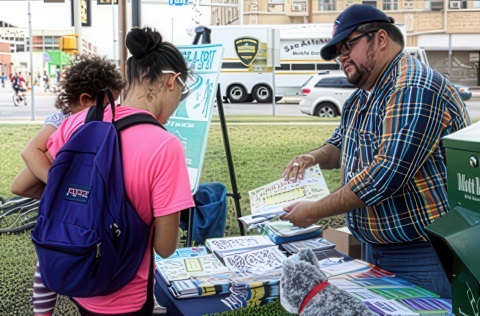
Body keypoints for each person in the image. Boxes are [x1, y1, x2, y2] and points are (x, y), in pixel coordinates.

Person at [282, 4, 470, 299]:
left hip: (422, 254)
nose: (341, 56)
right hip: (372, 246)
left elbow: (385, 176)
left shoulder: (414, 87)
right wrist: (314, 157)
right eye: (337, 51)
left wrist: (314, 212)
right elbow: (341, 144)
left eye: (348, 45)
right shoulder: (362, 96)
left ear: (380, 39)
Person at [15, 26, 194, 315]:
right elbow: (164, 247)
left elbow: (24, 183)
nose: (176, 105)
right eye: (181, 95)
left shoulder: (79, 121)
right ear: (172, 82)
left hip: (78, 272)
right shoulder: (166, 146)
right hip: (125, 296)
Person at [11, 54, 126, 316]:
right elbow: (30, 153)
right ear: (86, 100)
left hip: (76, 208)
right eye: (111, 102)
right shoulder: (63, 120)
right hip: (69, 202)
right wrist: (59, 187)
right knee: (47, 262)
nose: (114, 109)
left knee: (58, 256)